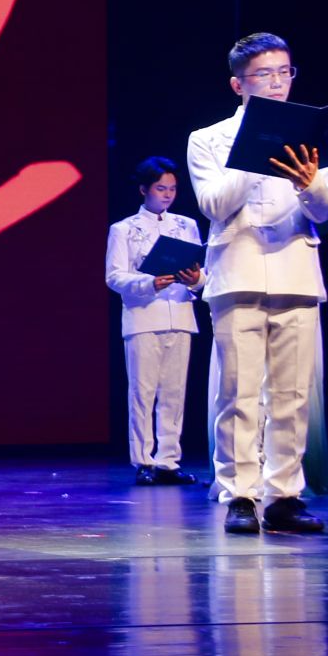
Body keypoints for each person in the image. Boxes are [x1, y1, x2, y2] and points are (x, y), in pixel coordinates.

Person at [187, 32, 328, 535]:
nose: (277, 83)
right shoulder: (208, 138)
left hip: (297, 271)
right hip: (238, 272)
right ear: (239, 84)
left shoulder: (313, 133)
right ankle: (240, 494)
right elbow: (213, 205)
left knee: (292, 395)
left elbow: (327, 209)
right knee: (239, 392)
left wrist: (308, 183)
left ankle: (284, 496)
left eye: (284, 72)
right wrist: (257, 148)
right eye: (264, 74)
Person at [104, 157, 205, 486]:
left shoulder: (186, 225)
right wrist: (149, 283)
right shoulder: (124, 229)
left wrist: (196, 280)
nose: (168, 195)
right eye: (161, 188)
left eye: (172, 189)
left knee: (175, 393)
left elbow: (203, 270)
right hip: (143, 316)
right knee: (143, 392)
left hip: (180, 315)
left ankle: (168, 461)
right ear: (144, 190)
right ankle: (143, 460)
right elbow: (114, 276)